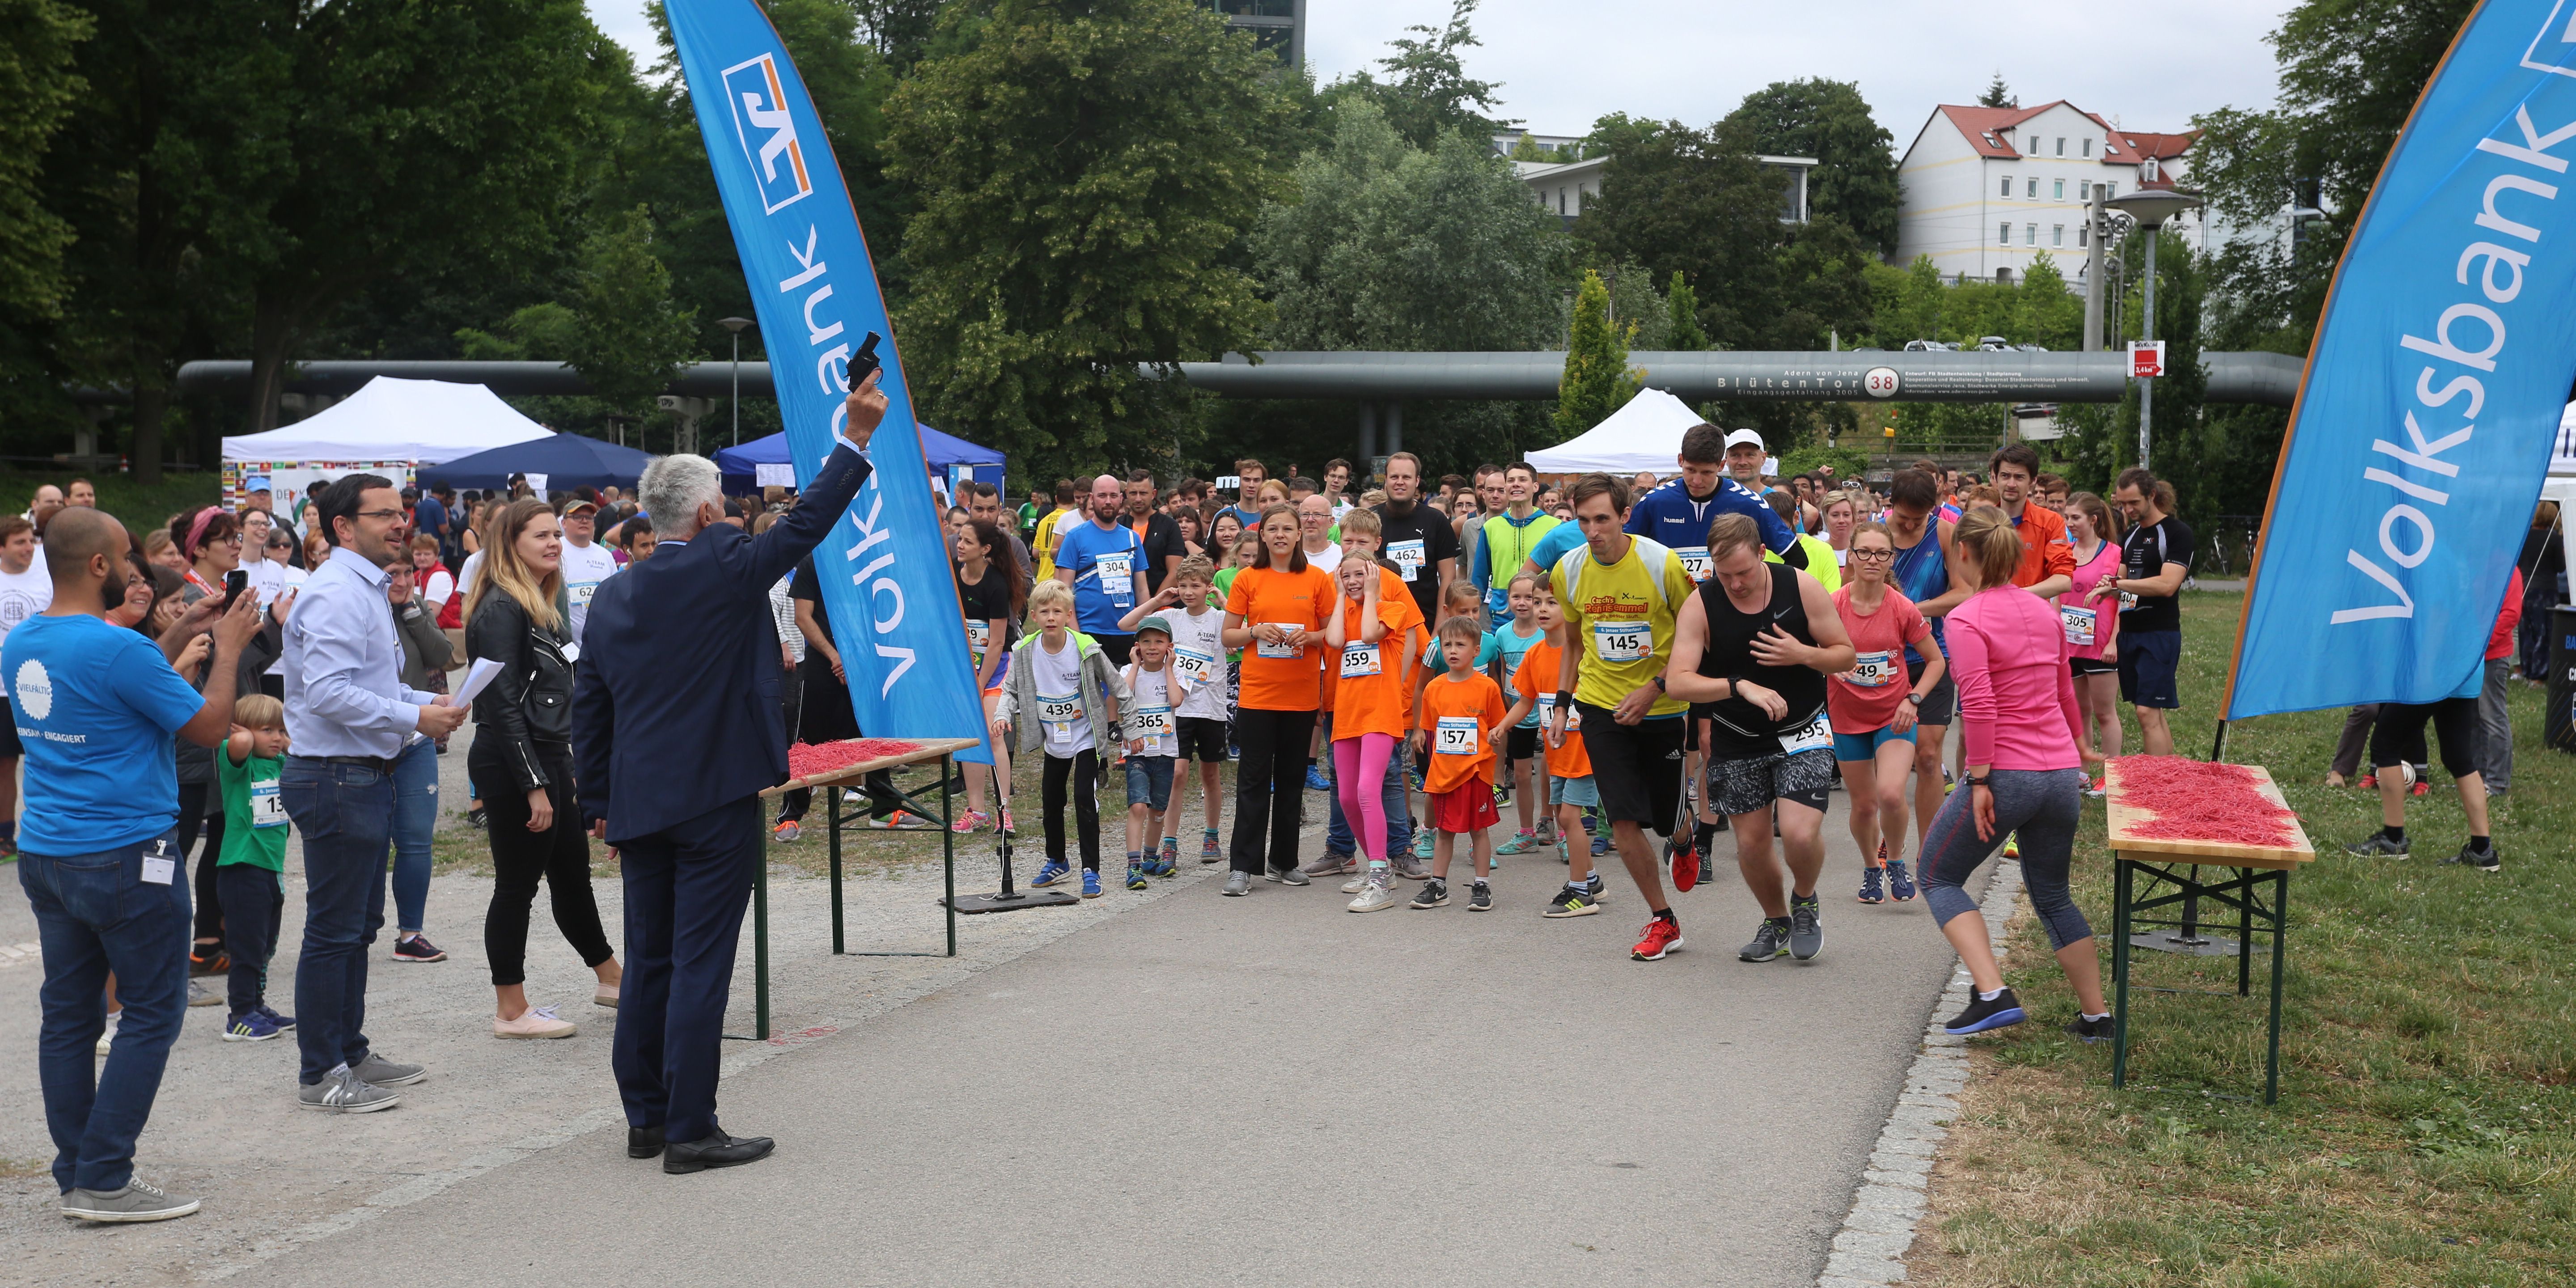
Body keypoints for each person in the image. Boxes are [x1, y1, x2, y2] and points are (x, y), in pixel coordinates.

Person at [572, 373, 884, 1174]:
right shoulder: (725, 565)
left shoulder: (612, 596)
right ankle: (690, 1128)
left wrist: (597, 801)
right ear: (709, 515)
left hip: (639, 800)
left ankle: (646, 1119)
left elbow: (590, 709)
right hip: (713, 797)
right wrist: (854, 438)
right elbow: (807, 522)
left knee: (650, 961)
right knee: (700, 964)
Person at [14, 506, 261, 1220]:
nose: (136, 569)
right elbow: (209, 727)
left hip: (48, 850)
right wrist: (229, 647)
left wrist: (183, 630)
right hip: (125, 853)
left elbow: (114, 671)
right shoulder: (118, 649)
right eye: (126, 557)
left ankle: (78, 1172)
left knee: (69, 1016)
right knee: (153, 1009)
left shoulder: (25, 639)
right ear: (100, 566)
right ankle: (104, 1177)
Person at [280, 475, 471, 1113]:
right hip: (335, 775)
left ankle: (351, 1051)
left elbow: (371, 685)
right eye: (384, 514)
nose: (400, 524)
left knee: (359, 926)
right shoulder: (338, 592)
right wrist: (416, 717)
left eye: (402, 512)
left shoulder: (364, 587)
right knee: (334, 931)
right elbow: (326, 693)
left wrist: (425, 703)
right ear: (342, 527)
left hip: (359, 773)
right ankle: (321, 1074)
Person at [1916, 506, 2112, 1042]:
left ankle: (1992, 993)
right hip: (2059, 775)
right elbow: (2062, 685)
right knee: (2053, 896)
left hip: (2008, 773)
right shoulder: (2043, 610)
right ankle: (2097, 1018)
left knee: (1937, 876)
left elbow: (1980, 706)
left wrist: (1980, 780)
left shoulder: (1966, 618)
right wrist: (2079, 746)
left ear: (1963, 553)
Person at [1665, 513, 1856, 962]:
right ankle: (1776, 920)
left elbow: (1845, 655)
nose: (1735, 583)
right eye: (1724, 573)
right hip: (1738, 736)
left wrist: (1802, 653)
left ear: (1763, 554)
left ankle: (1804, 901)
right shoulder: (1702, 604)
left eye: (1744, 572)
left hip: (1802, 729)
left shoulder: (1800, 587)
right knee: (1751, 845)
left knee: (1799, 834)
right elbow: (1678, 682)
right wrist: (1739, 686)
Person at [468, 499, 621, 1040]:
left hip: (548, 753)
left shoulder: (539, 603)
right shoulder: (501, 607)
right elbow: (502, 706)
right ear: (511, 544)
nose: (554, 542)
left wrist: (563, 768)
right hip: (513, 759)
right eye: (540, 535)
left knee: (572, 874)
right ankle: (510, 1009)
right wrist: (534, 784)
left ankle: (612, 977)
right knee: (517, 886)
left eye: (555, 534)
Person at [1545, 474, 1700, 962]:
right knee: (1623, 818)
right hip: (1600, 706)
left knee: (1666, 819)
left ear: (1625, 516)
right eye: (1584, 521)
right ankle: (1663, 919)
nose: (1593, 531)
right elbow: (1573, 643)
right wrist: (1563, 703)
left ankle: (1684, 839)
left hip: (1663, 706)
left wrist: (1655, 689)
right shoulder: (1568, 570)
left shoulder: (1661, 564)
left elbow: (1696, 637)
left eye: (1602, 520)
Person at [2344, 570, 2515, 872]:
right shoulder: (2472, 567)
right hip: (2466, 669)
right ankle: (2482, 850)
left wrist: (2420, 669)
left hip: (2435, 670)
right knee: (2459, 758)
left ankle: (2393, 839)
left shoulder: (2439, 564)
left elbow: (2438, 615)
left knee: (2385, 742)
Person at [1219, 502, 1334, 894]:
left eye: (1288, 528)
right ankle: (1242, 867)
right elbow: (1228, 635)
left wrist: (1311, 637)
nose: (1281, 535)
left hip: (1300, 696)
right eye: (1274, 529)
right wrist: (1255, 631)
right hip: (1258, 695)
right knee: (1253, 781)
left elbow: (1333, 634)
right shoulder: (1247, 579)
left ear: (1300, 534)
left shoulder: (1317, 579)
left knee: (1291, 781)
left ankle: (1284, 862)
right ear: (1263, 536)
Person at [1826, 522, 1941, 905]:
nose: (1872, 560)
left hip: (1894, 715)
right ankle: (1870, 869)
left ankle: (1894, 861)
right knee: (1864, 805)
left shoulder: (1902, 607)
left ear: (1892, 559)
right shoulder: (1833, 605)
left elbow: (1936, 661)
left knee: (1891, 795)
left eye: (1881, 553)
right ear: (1851, 556)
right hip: (1847, 717)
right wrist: (1830, 667)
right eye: (1864, 552)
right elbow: (1811, 654)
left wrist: (1914, 699)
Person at [993, 580, 1131, 898]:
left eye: (1058, 611)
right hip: (1054, 739)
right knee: (1052, 801)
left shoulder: (1086, 648)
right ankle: (1057, 861)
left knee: (1085, 799)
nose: (1051, 617)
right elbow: (1010, 690)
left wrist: (1133, 730)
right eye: (1044, 612)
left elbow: (1119, 686)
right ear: (1035, 617)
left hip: (1086, 737)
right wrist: (1003, 715)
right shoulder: (1025, 651)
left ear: (1069, 615)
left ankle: (1091, 870)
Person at [1502, 586, 1609, 915]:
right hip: (1557, 755)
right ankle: (1591, 881)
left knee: (1568, 818)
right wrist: (1502, 726)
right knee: (1566, 815)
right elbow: (1526, 701)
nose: (1542, 609)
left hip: (1585, 753)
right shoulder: (1535, 654)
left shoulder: (1586, 653)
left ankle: (1581, 893)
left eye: (1552, 602)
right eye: (1537, 602)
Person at [1885, 468, 1970, 867]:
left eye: (1918, 520)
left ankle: (1929, 852)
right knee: (1889, 763)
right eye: (1903, 517)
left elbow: (1964, 592)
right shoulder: (1874, 536)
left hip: (1932, 656)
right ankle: (1890, 844)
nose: (1909, 526)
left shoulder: (1944, 533)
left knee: (1929, 757)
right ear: (1891, 504)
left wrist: (1913, 611)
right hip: (1884, 662)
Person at [1119, 555, 1227, 864]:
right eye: (1183, 586)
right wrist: (1158, 600)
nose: (1188, 592)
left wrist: (1223, 600)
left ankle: (1211, 835)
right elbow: (1126, 625)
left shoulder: (1220, 618)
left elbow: (1245, 630)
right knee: (1178, 773)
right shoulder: (1171, 617)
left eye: (1196, 586)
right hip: (1177, 709)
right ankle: (1170, 841)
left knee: (1210, 774)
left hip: (1210, 707)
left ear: (1208, 587)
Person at [1324, 550, 1413, 911]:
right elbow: (1334, 641)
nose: (1353, 582)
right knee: (1347, 797)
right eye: (1346, 576)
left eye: (1360, 574)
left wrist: (1372, 594)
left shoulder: (1393, 608)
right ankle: (1381, 867)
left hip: (1380, 714)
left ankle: (1378, 878)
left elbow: (1370, 634)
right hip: (1348, 715)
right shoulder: (1343, 610)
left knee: (1366, 790)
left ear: (1374, 575)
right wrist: (1340, 596)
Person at [1406, 614, 1511, 911]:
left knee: (1479, 830)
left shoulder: (1487, 687)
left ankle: (1482, 885)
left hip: (1476, 772)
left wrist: (1495, 736)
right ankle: (1438, 885)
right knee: (1444, 830)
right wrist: (1418, 733)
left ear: (1477, 651)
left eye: (1460, 645)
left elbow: (1499, 724)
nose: (1453, 651)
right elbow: (1430, 728)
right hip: (1444, 773)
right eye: (1447, 645)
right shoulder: (1434, 688)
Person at [2086, 467, 2192, 756]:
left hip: (2159, 632)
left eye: (2134, 503)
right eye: (2122, 504)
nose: (2128, 510)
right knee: (2150, 711)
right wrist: (2107, 587)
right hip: (2130, 633)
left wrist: (2118, 585)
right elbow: (2122, 582)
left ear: (2152, 495)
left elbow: (2167, 585)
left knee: (2146, 712)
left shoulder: (2177, 533)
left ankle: (2156, 779)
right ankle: (2168, 773)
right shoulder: (2131, 535)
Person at [384, 553, 453, 963]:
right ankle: (359, 927)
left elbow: (441, 653)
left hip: (416, 736)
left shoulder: (416, 606)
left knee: (416, 838)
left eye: (409, 572)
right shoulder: (364, 609)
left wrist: (412, 611)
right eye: (393, 573)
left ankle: (411, 935)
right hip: (371, 739)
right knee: (374, 840)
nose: (403, 580)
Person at [215, 695, 295, 1043]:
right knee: (246, 948)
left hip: (271, 869)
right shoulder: (239, 764)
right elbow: (239, 744)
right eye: (267, 730)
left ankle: (256, 1004)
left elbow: (302, 756)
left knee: (265, 946)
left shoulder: (278, 764)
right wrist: (242, 733)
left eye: (281, 730)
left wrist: (285, 741)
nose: (277, 738)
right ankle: (240, 1015)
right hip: (242, 868)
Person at [953, 518, 1021, 834]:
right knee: (970, 735)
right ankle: (977, 811)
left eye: (968, 541)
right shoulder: (954, 575)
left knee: (994, 735)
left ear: (985, 549)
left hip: (995, 669)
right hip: (965, 670)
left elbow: (996, 642)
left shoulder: (996, 584)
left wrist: (979, 685)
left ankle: (1004, 812)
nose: (960, 545)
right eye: (960, 539)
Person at [2059, 493, 2123, 782]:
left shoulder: (2114, 554)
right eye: (2067, 517)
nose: (2070, 523)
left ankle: (2110, 778)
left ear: (2094, 520)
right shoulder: (2065, 553)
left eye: (2076, 518)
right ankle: (2081, 773)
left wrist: (2113, 641)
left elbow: (2124, 601)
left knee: (2105, 713)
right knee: (2078, 711)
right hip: (2070, 645)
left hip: (2100, 646)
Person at [1055, 474, 1148, 666]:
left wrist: (1146, 628)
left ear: (1121, 499)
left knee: (1126, 686)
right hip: (1089, 632)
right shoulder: (1075, 537)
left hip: (1127, 632)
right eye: (1102, 496)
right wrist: (1077, 636)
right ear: (1092, 498)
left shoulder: (1132, 539)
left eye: (1113, 496)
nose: (1108, 501)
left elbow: (1141, 590)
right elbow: (1064, 591)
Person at [1487, 572, 1550, 856]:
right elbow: (1501, 670)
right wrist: (1504, 709)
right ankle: (1526, 833)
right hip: (1519, 710)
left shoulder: (1547, 632)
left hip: (1548, 711)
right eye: (1517, 597)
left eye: (1530, 598)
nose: (1523, 603)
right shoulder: (1501, 634)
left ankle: (1551, 824)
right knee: (1523, 776)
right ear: (1507, 600)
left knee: (1553, 772)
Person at [0, 515, 51, 858]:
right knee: (4, 765)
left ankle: (48, 830)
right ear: (1, 547)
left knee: (46, 760)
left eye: (31, 541)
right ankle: (5, 836)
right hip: (2, 691)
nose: (29, 548)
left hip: (40, 685)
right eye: (20, 542)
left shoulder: (47, 578)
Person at [1119, 616, 1182, 888]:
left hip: (1165, 751)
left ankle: (1150, 857)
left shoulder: (1174, 673)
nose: (1152, 647)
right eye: (1146, 642)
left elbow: (1176, 700)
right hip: (1137, 752)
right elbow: (1123, 696)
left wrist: (1169, 668)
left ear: (1169, 646)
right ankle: (1133, 866)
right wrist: (1135, 666)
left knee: (1158, 810)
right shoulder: (1128, 671)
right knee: (1138, 806)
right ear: (1137, 647)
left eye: (1159, 641)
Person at [1374, 453, 1461, 627]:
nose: (1400, 482)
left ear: (1417, 481)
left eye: (1407, 477)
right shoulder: (1371, 518)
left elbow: (1448, 577)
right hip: (1379, 623)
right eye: (1394, 477)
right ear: (1386, 480)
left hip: (1426, 622)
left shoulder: (1436, 520)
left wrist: (1439, 629)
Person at [1469, 462, 1560, 629]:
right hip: (1501, 618)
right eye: (1511, 480)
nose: (1516, 484)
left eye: (1522, 480)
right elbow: (1479, 579)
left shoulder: (1554, 526)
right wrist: (1470, 617)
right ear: (1506, 487)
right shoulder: (1491, 527)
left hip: (1542, 617)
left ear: (1535, 487)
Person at [1988, 445, 2074, 599]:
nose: (2011, 484)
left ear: (2033, 481)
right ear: (1995, 478)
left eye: (2019, 477)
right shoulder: (1982, 521)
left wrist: (2017, 596)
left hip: (2032, 610)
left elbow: (2064, 580)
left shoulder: (2050, 522)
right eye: (2005, 476)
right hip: (1988, 610)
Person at [2481, 568, 2524, 796]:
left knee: (2493, 717)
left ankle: (2497, 781)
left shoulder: (2508, 568)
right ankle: (2476, 777)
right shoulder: (2476, 564)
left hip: (2493, 655)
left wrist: (2483, 642)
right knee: (2474, 719)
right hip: (2470, 656)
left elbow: (2511, 614)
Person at [558, 497, 620, 648]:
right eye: (577, 517)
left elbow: (614, 596)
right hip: (565, 643)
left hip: (599, 641)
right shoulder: (556, 551)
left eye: (589, 517)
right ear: (564, 523)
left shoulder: (605, 555)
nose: (584, 521)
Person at [1296, 494, 1342, 574]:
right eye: (1305, 514)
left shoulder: (1342, 556)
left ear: (1331, 522)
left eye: (1318, 515)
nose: (1310, 520)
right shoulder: (1289, 555)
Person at [1224, 459, 1269, 530]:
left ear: (1263, 483)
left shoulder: (1271, 515)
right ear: (1238, 481)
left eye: (1256, 480)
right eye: (1247, 480)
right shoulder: (1224, 515)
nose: (1251, 485)